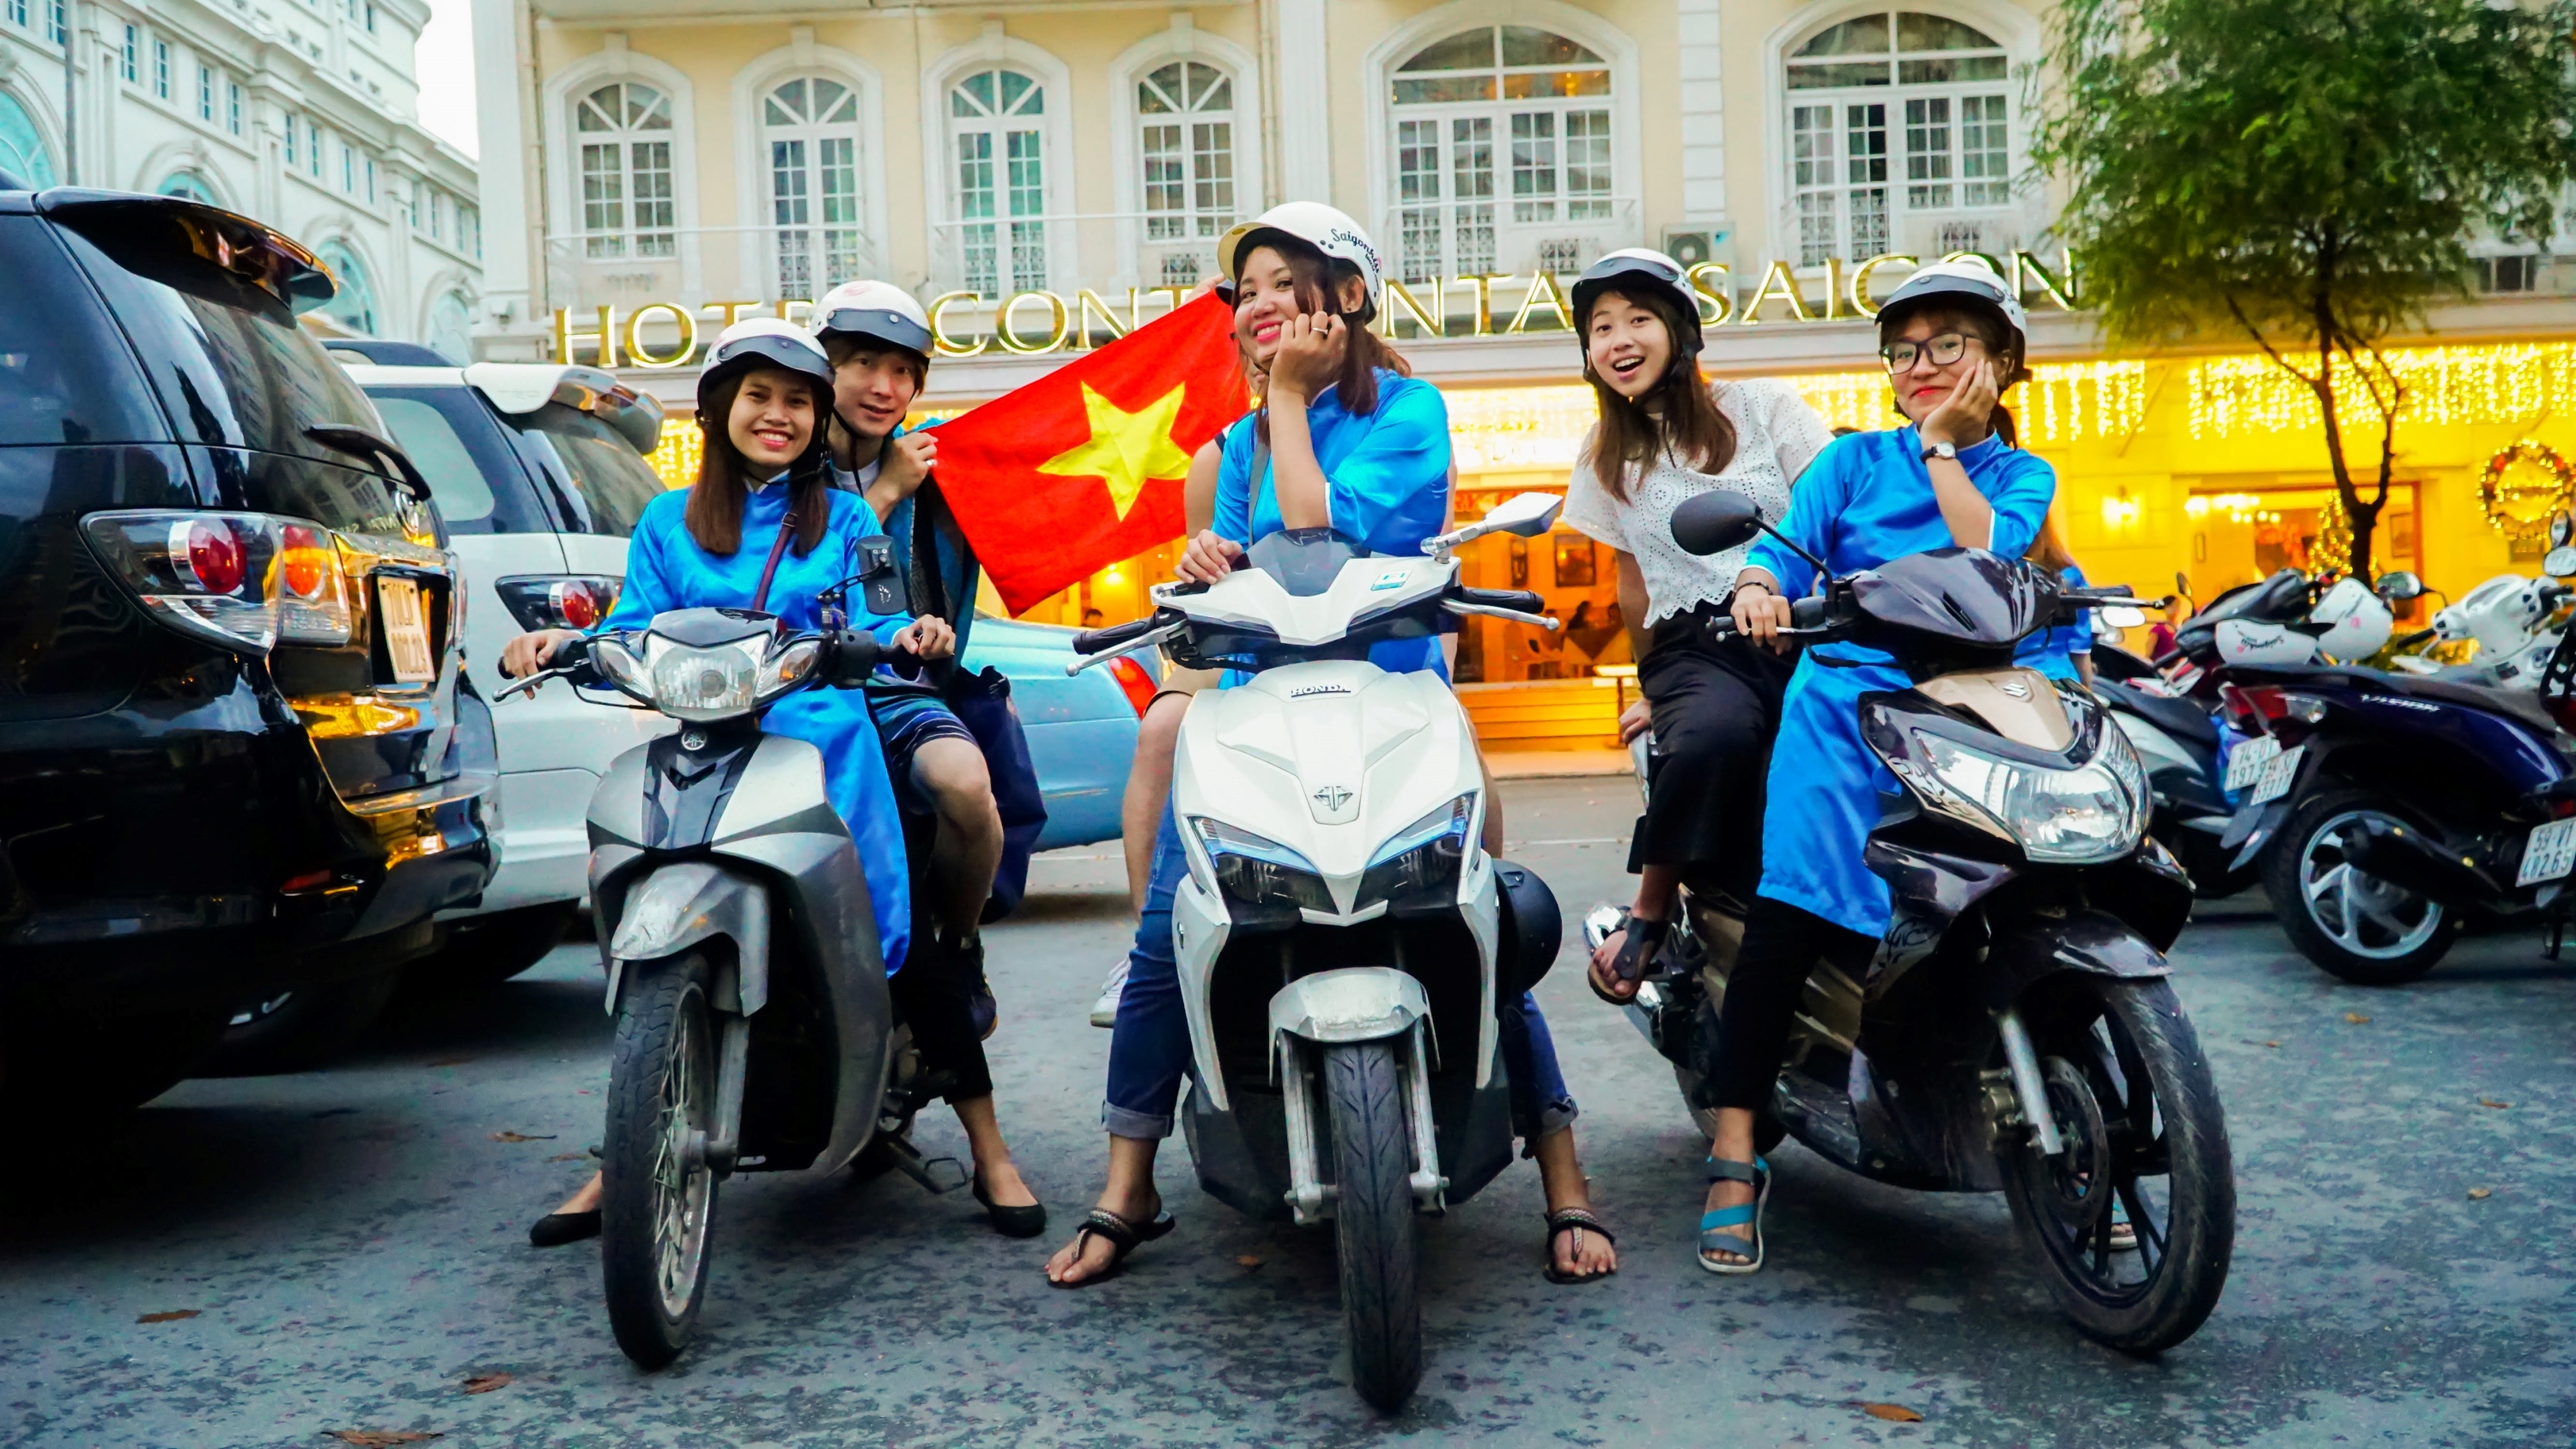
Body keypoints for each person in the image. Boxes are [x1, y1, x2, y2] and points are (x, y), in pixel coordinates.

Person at [1044, 203, 1618, 1289]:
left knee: (1474, 919)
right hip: (1257, 708)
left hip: (1392, 703)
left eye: (1282, 282)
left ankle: (1564, 1176)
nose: (1258, 304)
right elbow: (1215, 579)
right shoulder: (1226, 448)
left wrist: (1290, 403)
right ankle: (1127, 1183)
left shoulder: (1408, 410)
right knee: (1181, 927)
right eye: (1245, 290)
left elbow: (1319, 535)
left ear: (1347, 294)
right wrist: (1208, 554)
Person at [515, 319, 1041, 1246]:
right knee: (632, 897)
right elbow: (634, 623)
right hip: (709, 739)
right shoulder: (664, 519)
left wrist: (910, 631)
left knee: (906, 927)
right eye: (760, 396)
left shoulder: (843, 515)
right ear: (719, 408)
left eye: (798, 400)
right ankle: (625, 1150)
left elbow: (882, 603)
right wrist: (566, 645)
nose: (780, 415)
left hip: (824, 745)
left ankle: (990, 1145)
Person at [1692, 260, 2055, 1274]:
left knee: (2032, 895)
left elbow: (1990, 554)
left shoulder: (2022, 475)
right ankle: (1733, 1147)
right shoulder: (1850, 464)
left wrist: (1944, 450)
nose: (1923, 365)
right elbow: (1783, 552)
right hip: (1848, 702)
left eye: (1949, 345)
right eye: (1906, 350)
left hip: (1977, 709)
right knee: (1791, 908)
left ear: (2001, 361)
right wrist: (1762, 585)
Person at [1557, 249, 1832, 1008]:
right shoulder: (1604, 453)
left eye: (1638, 319)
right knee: (1712, 736)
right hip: (1696, 643)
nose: (1618, 339)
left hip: (1806, 622)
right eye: (1601, 326)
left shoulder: (1767, 408)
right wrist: (1661, 693)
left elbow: (1832, 509)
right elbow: (1632, 582)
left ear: (1681, 328)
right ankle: (1652, 910)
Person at [811, 281, 1010, 1046]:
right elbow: (810, 585)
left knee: (970, 795)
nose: (883, 388)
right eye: (862, 363)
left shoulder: (943, 462)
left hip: (910, 693)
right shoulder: (787, 462)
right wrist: (888, 491)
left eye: (903, 373)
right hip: (807, 696)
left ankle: (959, 945)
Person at [2018, 511, 2097, 688]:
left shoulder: (1987, 572)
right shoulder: (2068, 573)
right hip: (2060, 682)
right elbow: (2079, 649)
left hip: (2003, 687)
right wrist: (2086, 691)